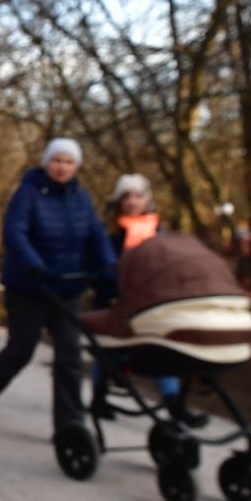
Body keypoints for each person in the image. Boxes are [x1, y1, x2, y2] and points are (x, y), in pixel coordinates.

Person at [0, 138, 116, 434]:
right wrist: (35, 265)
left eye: (69, 162)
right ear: (47, 163)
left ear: (76, 167)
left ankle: (69, 426)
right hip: (30, 287)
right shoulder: (28, 193)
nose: (62, 167)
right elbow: (15, 232)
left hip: (68, 288)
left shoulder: (81, 199)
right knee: (21, 350)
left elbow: (97, 235)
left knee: (69, 356)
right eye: (57, 161)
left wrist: (110, 267)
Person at [89, 174, 206, 425]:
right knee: (106, 345)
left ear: (147, 200)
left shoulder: (160, 234)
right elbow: (101, 270)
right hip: (116, 303)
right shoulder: (108, 236)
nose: (132, 202)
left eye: (138, 196)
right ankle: (98, 396)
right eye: (127, 197)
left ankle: (174, 404)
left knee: (164, 345)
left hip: (153, 303)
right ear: (119, 201)